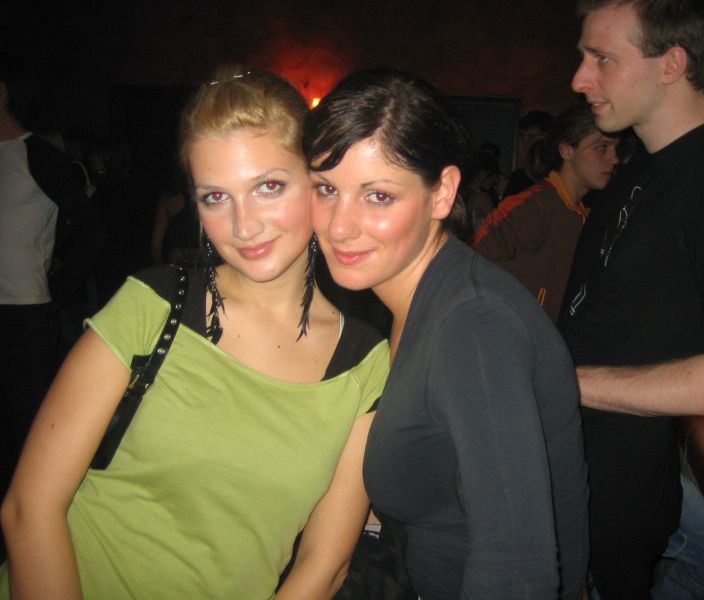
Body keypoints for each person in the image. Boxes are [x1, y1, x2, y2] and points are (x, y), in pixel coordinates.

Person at [0, 65, 389, 599]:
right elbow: (29, 508)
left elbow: (324, 567)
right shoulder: (154, 304)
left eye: (268, 186)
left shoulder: (364, 363)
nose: (244, 226)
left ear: (317, 183)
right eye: (215, 197)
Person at [305, 67, 589, 600]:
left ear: (443, 194)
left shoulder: (473, 327)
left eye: (378, 196)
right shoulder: (422, 294)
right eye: (326, 188)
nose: (339, 225)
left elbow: (518, 573)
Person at [563, 1, 704, 598]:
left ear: (672, 64)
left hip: (627, 506)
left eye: (602, 59)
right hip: (580, 488)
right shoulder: (638, 168)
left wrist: (555, 379)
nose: (579, 79)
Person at [0, 54, 103, 505]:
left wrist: (57, 293)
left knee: (26, 436)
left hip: (24, 315)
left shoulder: (36, 155)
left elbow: (91, 230)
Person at [471, 104, 618, 322]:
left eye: (616, 149)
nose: (613, 158)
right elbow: (471, 259)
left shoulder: (581, 215)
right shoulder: (535, 205)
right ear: (567, 151)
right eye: (601, 147)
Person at [502, 110, 554, 198]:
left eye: (532, 136)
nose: (525, 143)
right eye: (522, 136)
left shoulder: (558, 175)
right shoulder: (518, 178)